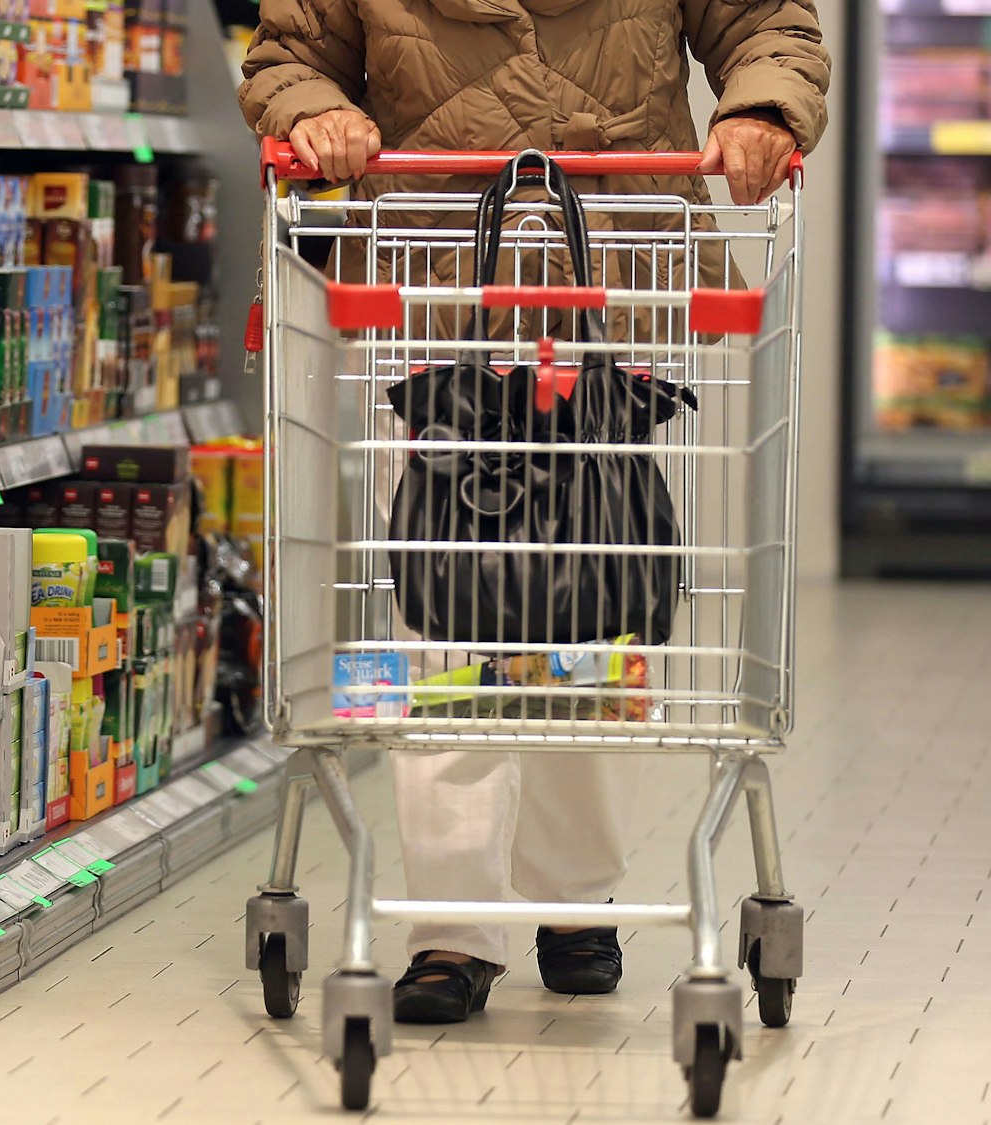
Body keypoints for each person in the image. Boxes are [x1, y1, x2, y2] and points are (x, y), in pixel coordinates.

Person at [238, 0, 829, 1024]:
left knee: (586, 600)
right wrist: (315, 111)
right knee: (446, 614)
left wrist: (761, 109)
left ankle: (572, 895)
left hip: (614, 288)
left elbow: (763, 22)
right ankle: (450, 923)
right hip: (425, 301)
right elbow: (292, 53)